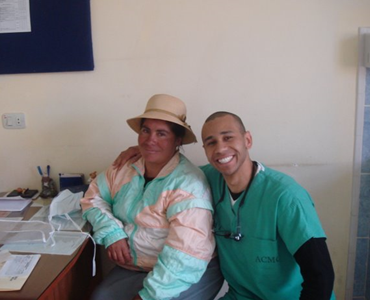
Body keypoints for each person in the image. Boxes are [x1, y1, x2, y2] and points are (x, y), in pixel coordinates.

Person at [114, 111, 336, 300]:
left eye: (228, 138)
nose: (220, 149)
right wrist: (142, 151)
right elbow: (170, 170)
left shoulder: (286, 196)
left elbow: (321, 275)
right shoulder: (203, 181)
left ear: (247, 140)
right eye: (211, 142)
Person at [81, 94, 223, 300]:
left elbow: (185, 255)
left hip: (187, 271)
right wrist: (112, 232)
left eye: (162, 133)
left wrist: (149, 296)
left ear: (178, 140)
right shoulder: (124, 168)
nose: (150, 140)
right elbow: (93, 197)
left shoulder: (188, 184)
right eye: (146, 131)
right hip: (138, 267)